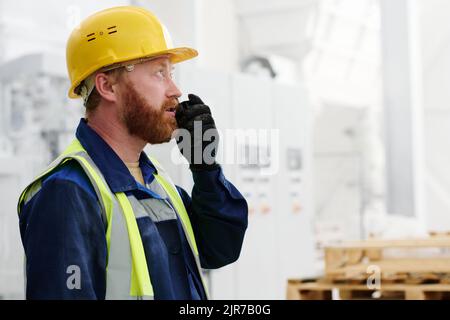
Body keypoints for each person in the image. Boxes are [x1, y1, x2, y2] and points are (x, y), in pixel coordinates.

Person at [17, 6, 248, 300]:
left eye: (171, 73)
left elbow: (220, 249)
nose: (175, 89)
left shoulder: (156, 184)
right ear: (108, 86)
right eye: (159, 73)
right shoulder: (68, 193)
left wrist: (205, 168)